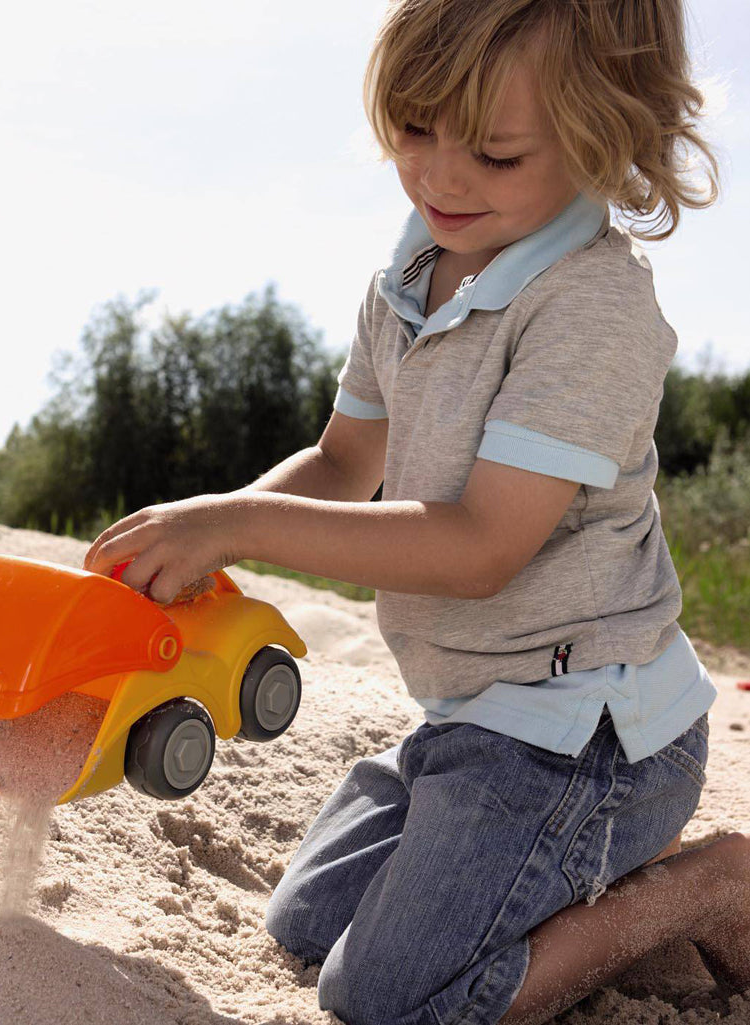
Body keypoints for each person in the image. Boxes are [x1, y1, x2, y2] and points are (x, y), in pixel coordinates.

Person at [82, 1, 750, 1021]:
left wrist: (233, 521)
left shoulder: (591, 307)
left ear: (598, 136)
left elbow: (481, 544)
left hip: (589, 739)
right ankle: (466, 822)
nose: (441, 177)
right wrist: (204, 544)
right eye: (415, 128)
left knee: (393, 996)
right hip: (471, 714)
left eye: (492, 153)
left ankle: (702, 886)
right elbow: (345, 459)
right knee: (301, 924)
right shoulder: (408, 275)